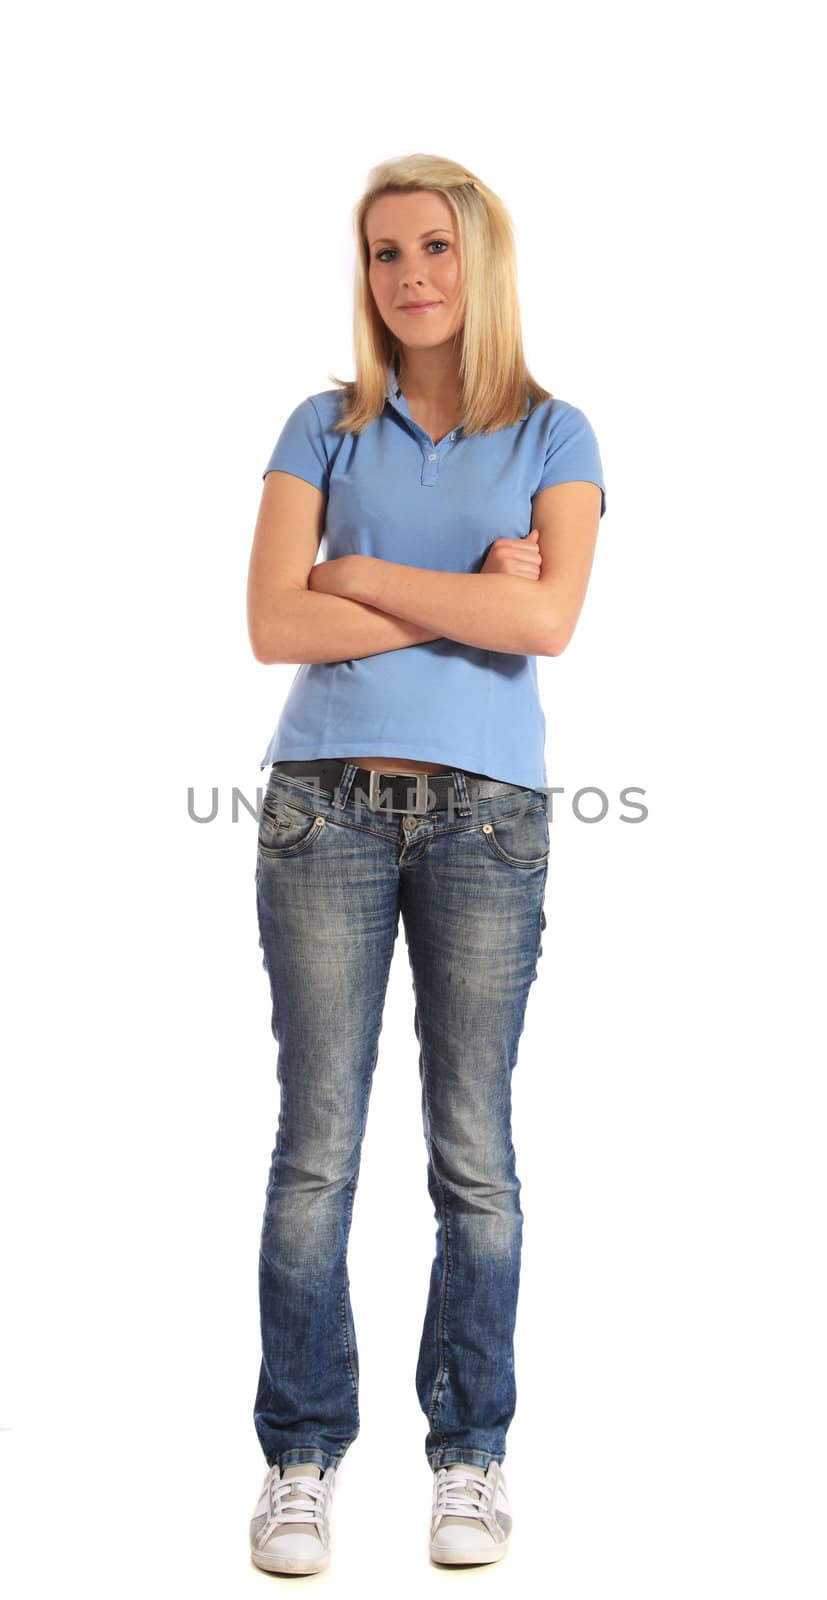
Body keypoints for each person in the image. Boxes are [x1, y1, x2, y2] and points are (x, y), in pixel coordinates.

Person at [245, 153, 606, 1575]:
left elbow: (553, 623)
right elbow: (275, 625)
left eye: (435, 249)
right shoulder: (320, 424)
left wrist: (363, 577)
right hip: (320, 810)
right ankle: (298, 1456)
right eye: (386, 253)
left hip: (488, 820)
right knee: (315, 1153)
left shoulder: (559, 434)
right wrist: (464, 599)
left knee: (475, 1158)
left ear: (482, 262)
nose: (410, 278)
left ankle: (470, 1456)